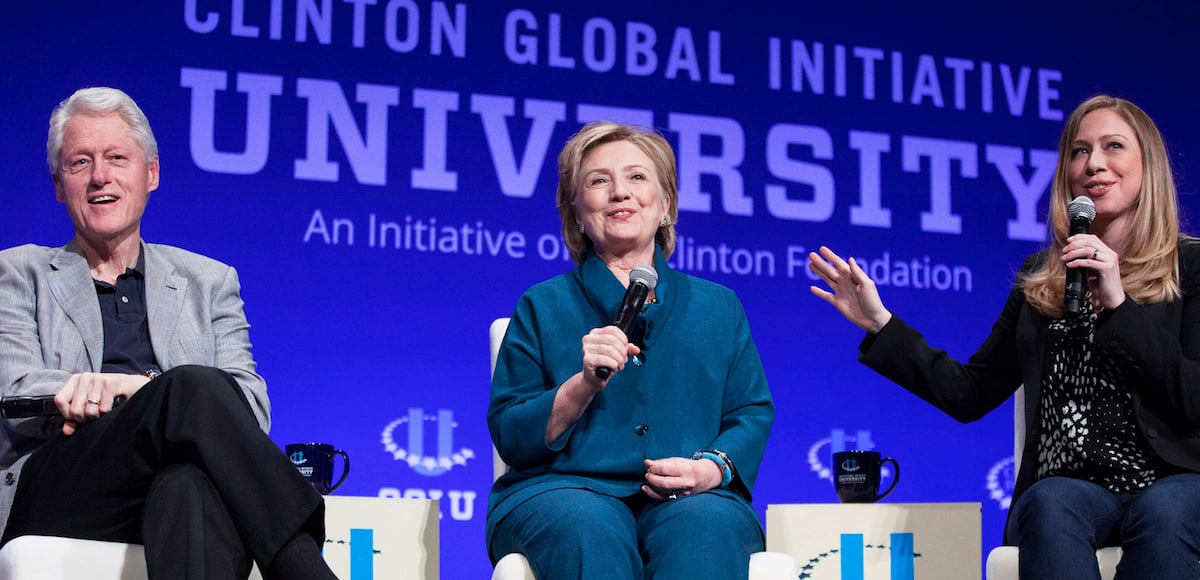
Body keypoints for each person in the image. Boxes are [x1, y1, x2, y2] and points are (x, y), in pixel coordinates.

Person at [809, 94, 1200, 578]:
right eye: (1079, 151)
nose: (1094, 163)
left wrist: (1119, 306)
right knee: (1050, 502)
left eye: (1113, 146)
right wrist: (880, 323)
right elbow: (971, 392)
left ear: (1149, 167)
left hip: (1174, 480)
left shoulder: (1191, 268)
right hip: (1074, 487)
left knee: (1166, 514)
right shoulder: (1042, 278)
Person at [0, 87, 337, 579]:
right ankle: (303, 568)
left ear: (150, 173)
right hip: (62, 486)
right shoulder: (18, 272)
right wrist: (145, 396)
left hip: (163, 489)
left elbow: (250, 408)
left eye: (117, 157)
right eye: (80, 163)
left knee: (188, 487)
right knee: (193, 385)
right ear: (58, 183)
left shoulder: (209, 281)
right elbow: (15, 392)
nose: (100, 177)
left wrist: (137, 389)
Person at [486, 121, 775, 579]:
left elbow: (751, 412)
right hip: (562, 490)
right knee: (589, 530)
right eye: (599, 181)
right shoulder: (542, 304)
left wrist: (710, 470)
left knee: (707, 529)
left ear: (666, 205)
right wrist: (581, 386)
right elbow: (510, 431)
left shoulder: (718, 307)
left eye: (637, 177)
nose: (620, 192)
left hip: (689, 496)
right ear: (578, 213)